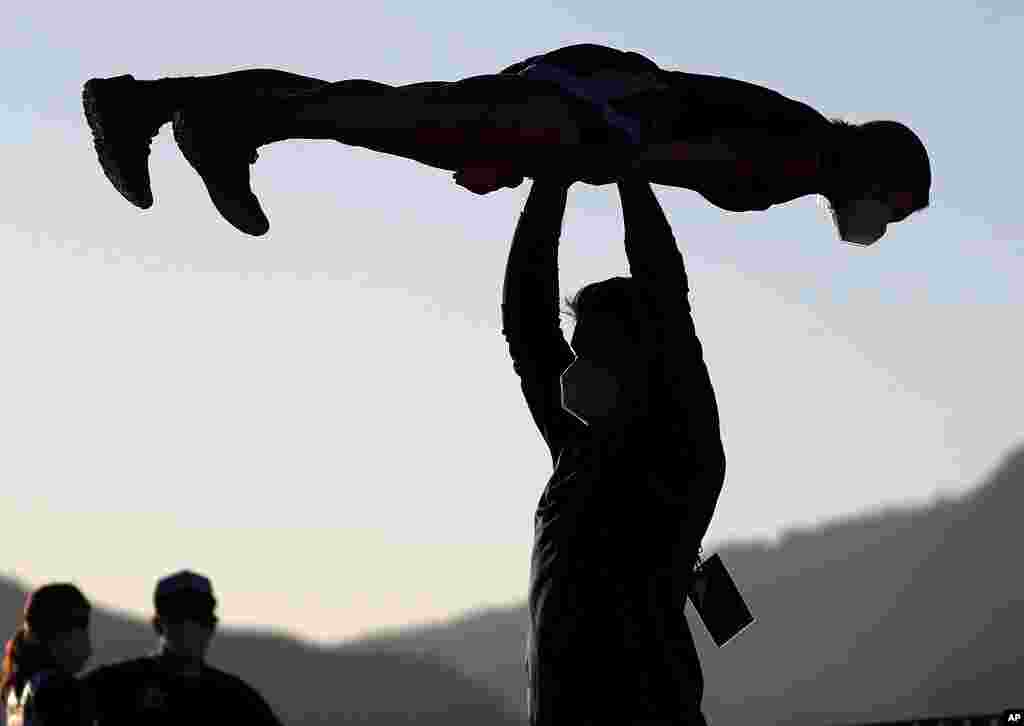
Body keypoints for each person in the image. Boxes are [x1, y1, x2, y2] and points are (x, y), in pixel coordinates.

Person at [83, 43, 930, 241]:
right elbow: (660, 155)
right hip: (582, 113)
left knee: (372, 114)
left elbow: (661, 143)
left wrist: (535, 159)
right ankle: (143, 105)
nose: (880, 229)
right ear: (878, 180)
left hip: (581, 104)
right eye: (893, 213)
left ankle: (215, 127)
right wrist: (540, 161)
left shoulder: (807, 144)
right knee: (368, 114)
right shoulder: (802, 163)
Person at [501, 172, 725, 724]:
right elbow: (527, 326)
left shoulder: (685, 457)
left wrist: (630, 172)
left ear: (636, 360)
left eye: (590, 354)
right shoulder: (574, 449)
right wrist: (548, 181)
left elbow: (671, 305)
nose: (571, 369)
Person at [81, 570, 282, 725]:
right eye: (179, 617)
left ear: (211, 626)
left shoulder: (237, 700)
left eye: (197, 618)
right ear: (158, 625)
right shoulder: (115, 684)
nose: (189, 627)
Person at [1, 583, 96, 726]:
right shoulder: (54, 691)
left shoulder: (21, 688)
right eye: (82, 629)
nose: (87, 643)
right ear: (58, 636)